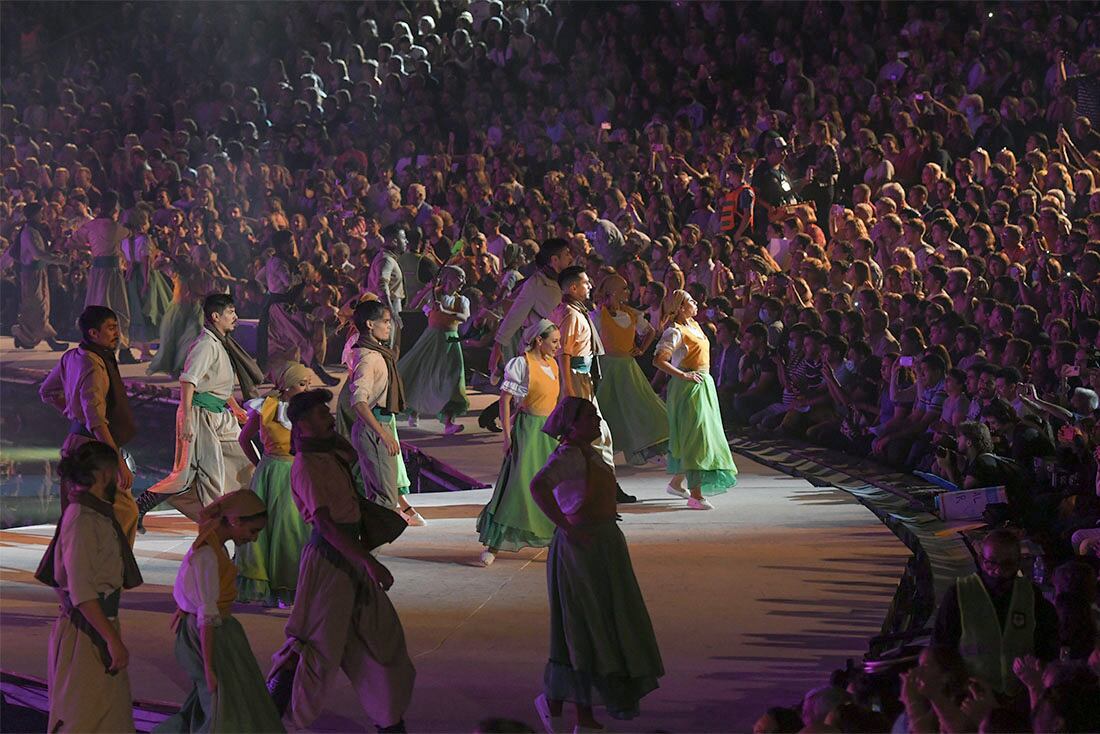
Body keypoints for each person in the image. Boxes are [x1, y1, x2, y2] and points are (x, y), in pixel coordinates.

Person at [267, 389, 414, 733]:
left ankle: (388, 720)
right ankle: (272, 715)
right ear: (302, 425)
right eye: (321, 415)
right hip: (330, 564)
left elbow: (349, 454)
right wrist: (368, 562)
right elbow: (326, 525)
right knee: (314, 649)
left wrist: (325, 437)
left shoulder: (329, 452)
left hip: (351, 559)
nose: (329, 417)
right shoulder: (306, 466)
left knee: (381, 641)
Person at [529, 397, 664, 732]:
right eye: (590, 417)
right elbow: (538, 486)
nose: (596, 421)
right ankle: (581, 715)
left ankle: (559, 704)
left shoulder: (588, 453)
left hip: (602, 546)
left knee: (601, 623)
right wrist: (566, 526)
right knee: (584, 628)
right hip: (582, 549)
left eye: (596, 416)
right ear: (571, 425)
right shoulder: (569, 455)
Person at [35, 441, 143, 733]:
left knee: (105, 715)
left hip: (95, 625)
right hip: (86, 633)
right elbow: (80, 590)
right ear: (105, 474)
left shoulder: (93, 514)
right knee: (85, 716)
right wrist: (112, 639)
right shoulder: (82, 519)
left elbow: (64, 580)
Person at [155, 490, 284, 733]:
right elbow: (206, 614)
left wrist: (184, 607)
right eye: (252, 531)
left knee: (223, 697)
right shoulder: (208, 554)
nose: (254, 539)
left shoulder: (214, 549)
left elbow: (192, 589)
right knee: (218, 699)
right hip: (208, 634)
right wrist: (209, 667)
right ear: (235, 521)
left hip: (216, 629)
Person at [136, 293, 261, 524]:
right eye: (231, 312)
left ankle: (240, 516)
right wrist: (187, 419)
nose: (236, 316)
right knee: (205, 478)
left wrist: (234, 407)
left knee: (246, 461)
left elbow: (216, 383)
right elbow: (188, 381)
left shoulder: (221, 343)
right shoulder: (205, 345)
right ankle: (214, 525)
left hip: (220, 416)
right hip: (201, 416)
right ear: (216, 316)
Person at [40, 306, 139, 543]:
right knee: (125, 511)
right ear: (94, 333)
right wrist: (117, 462)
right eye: (111, 328)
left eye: (117, 327)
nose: (117, 333)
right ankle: (110, 565)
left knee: (78, 515)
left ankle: (81, 567)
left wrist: (73, 413)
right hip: (91, 450)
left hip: (77, 442)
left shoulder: (74, 356)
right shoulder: (93, 364)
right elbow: (95, 419)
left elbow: (47, 391)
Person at [931, 528, 1058, 695]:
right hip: (973, 696)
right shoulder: (959, 593)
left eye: (1007, 564)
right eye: (991, 563)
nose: (997, 571)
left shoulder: (1030, 594)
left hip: (1020, 693)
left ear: (1018, 562)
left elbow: (1047, 644)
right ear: (981, 560)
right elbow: (941, 648)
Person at [476, 319, 561, 567]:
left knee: (551, 486)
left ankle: (553, 538)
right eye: (553, 341)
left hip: (549, 432)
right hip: (528, 430)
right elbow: (505, 400)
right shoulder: (522, 364)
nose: (558, 346)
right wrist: (507, 434)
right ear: (539, 341)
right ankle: (496, 543)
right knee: (518, 484)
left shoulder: (553, 365)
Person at [551, 265, 637, 503]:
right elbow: (565, 354)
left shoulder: (572, 311)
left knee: (596, 438)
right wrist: (570, 390)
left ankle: (600, 486)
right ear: (573, 287)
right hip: (577, 382)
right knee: (598, 437)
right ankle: (604, 488)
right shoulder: (570, 314)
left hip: (582, 380)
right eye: (586, 283)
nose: (590, 286)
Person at [234, 362, 313, 607]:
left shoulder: (307, 411)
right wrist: (260, 463)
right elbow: (244, 438)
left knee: (291, 530)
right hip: (271, 472)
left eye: (308, 383)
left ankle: (292, 587)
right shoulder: (266, 408)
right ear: (287, 387)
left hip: (296, 472)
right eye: (302, 383)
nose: (307, 388)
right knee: (270, 530)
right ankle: (273, 588)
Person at [654, 290, 739, 509]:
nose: (696, 303)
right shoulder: (675, 331)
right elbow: (659, 360)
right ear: (680, 307)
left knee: (702, 434)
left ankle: (676, 483)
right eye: (691, 301)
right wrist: (683, 375)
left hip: (703, 384)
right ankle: (696, 494)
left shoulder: (694, 325)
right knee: (696, 438)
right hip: (688, 387)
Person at [344, 300, 425, 525]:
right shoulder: (368, 358)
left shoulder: (376, 353)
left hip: (380, 425)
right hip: (375, 428)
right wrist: (383, 433)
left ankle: (369, 547)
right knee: (385, 498)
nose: (389, 327)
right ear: (370, 324)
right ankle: (371, 548)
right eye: (386, 322)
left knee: (381, 495)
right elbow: (359, 401)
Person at [483, 238, 573, 432]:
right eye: (566, 254)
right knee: (534, 395)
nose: (571, 257)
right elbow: (515, 314)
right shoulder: (535, 283)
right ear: (554, 259)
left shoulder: (568, 279)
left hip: (566, 344)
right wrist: (498, 345)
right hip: (541, 346)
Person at [591, 274, 668, 465]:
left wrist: (641, 349)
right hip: (607, 369)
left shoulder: (631, 314)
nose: (628, 291)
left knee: (639, 407)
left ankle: (644, 450)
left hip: (627, 368)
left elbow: (650, 331)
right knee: (609, 411)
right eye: (623, 288)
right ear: (613, 291)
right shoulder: (597, 316)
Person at [398, 265, 470, 435]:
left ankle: (448, 422)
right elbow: (413, 304)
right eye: (459, 276)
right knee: (421, 373)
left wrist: (444, 311)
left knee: (452, 379)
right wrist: (427, 289)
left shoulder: (462, 300)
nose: (463, 281)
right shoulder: (434, 293)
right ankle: (413, 410)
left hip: (451, 341)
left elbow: (464, 317)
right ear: (448, 278)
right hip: (431, 339)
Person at [70, 191, 136, 363]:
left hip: (98, 271)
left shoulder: (92, 225)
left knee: (97, 306)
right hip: (112, 272)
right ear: (115, 208)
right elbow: (131, 233)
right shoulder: (115, 227)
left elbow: (71, 241)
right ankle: (121, 348)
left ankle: (97, 346)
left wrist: (90, 247)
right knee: (118, 309)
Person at [11, 202, 69, 351]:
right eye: (40, 212)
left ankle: (23, 337)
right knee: (39, 307)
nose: (42, 215)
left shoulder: (33, 230)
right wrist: (59, 259)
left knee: (36, 307)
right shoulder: (30, 232)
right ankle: (50, 339)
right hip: (32, 275)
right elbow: (38, 254)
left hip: (37, 273)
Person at [367, 225, 408, 352]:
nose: (406, 241)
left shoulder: (387, 258)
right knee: (388, 344)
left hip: (389, 305)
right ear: (395, 241)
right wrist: (391, 311)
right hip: (388, 306)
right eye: (404, 238)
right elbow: (382, 285)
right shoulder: (386, 260)